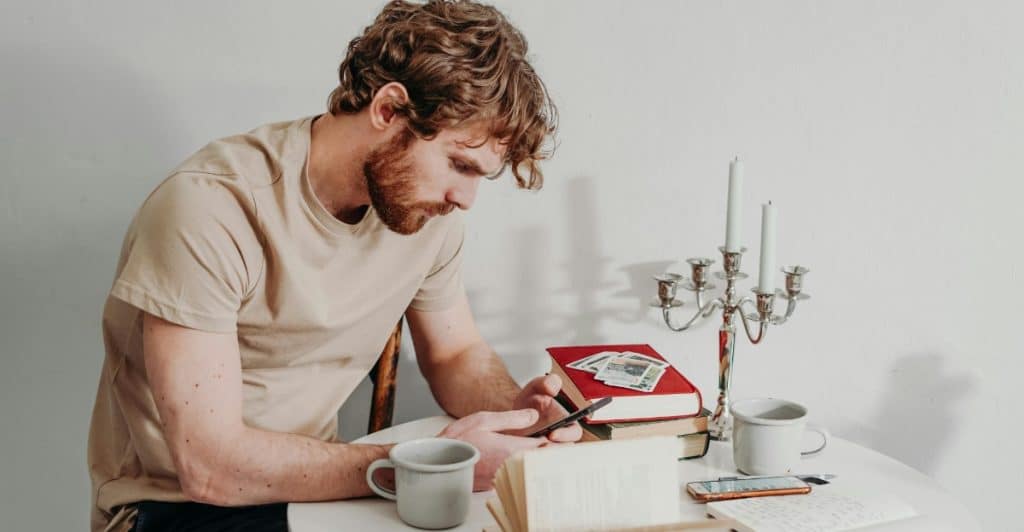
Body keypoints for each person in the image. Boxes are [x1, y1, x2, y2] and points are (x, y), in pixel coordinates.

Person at [86, 1, 580, 530]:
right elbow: (209, 469)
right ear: (389, 110)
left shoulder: (424, 214)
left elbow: (455, 352)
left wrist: (518, 414)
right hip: (177, 508)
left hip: (318, 489)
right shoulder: (211, 208)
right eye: (460, 164)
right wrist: (417, 464)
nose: (465, 198)